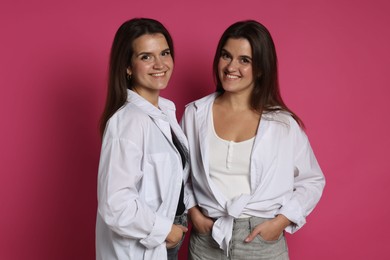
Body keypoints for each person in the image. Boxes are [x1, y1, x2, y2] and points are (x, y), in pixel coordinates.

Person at [181, 20, 325, 259]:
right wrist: (193, 211)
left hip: (262, 241)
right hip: (208, 239)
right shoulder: (194, 114)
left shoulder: (282, 123)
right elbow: (179, 174)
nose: (231, 66)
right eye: (226, 56)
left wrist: (281, 222)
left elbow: (312, 180)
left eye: (244, 60)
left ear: (260, 68)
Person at [96, 18, 189, 260]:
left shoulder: (164, 113)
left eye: (165, 53)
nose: (160, 64)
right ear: (128, 66)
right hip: (145, 244)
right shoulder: (128, 121)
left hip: (166, 239)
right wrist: (166, 231)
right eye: (146, 57)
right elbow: (115, 204)